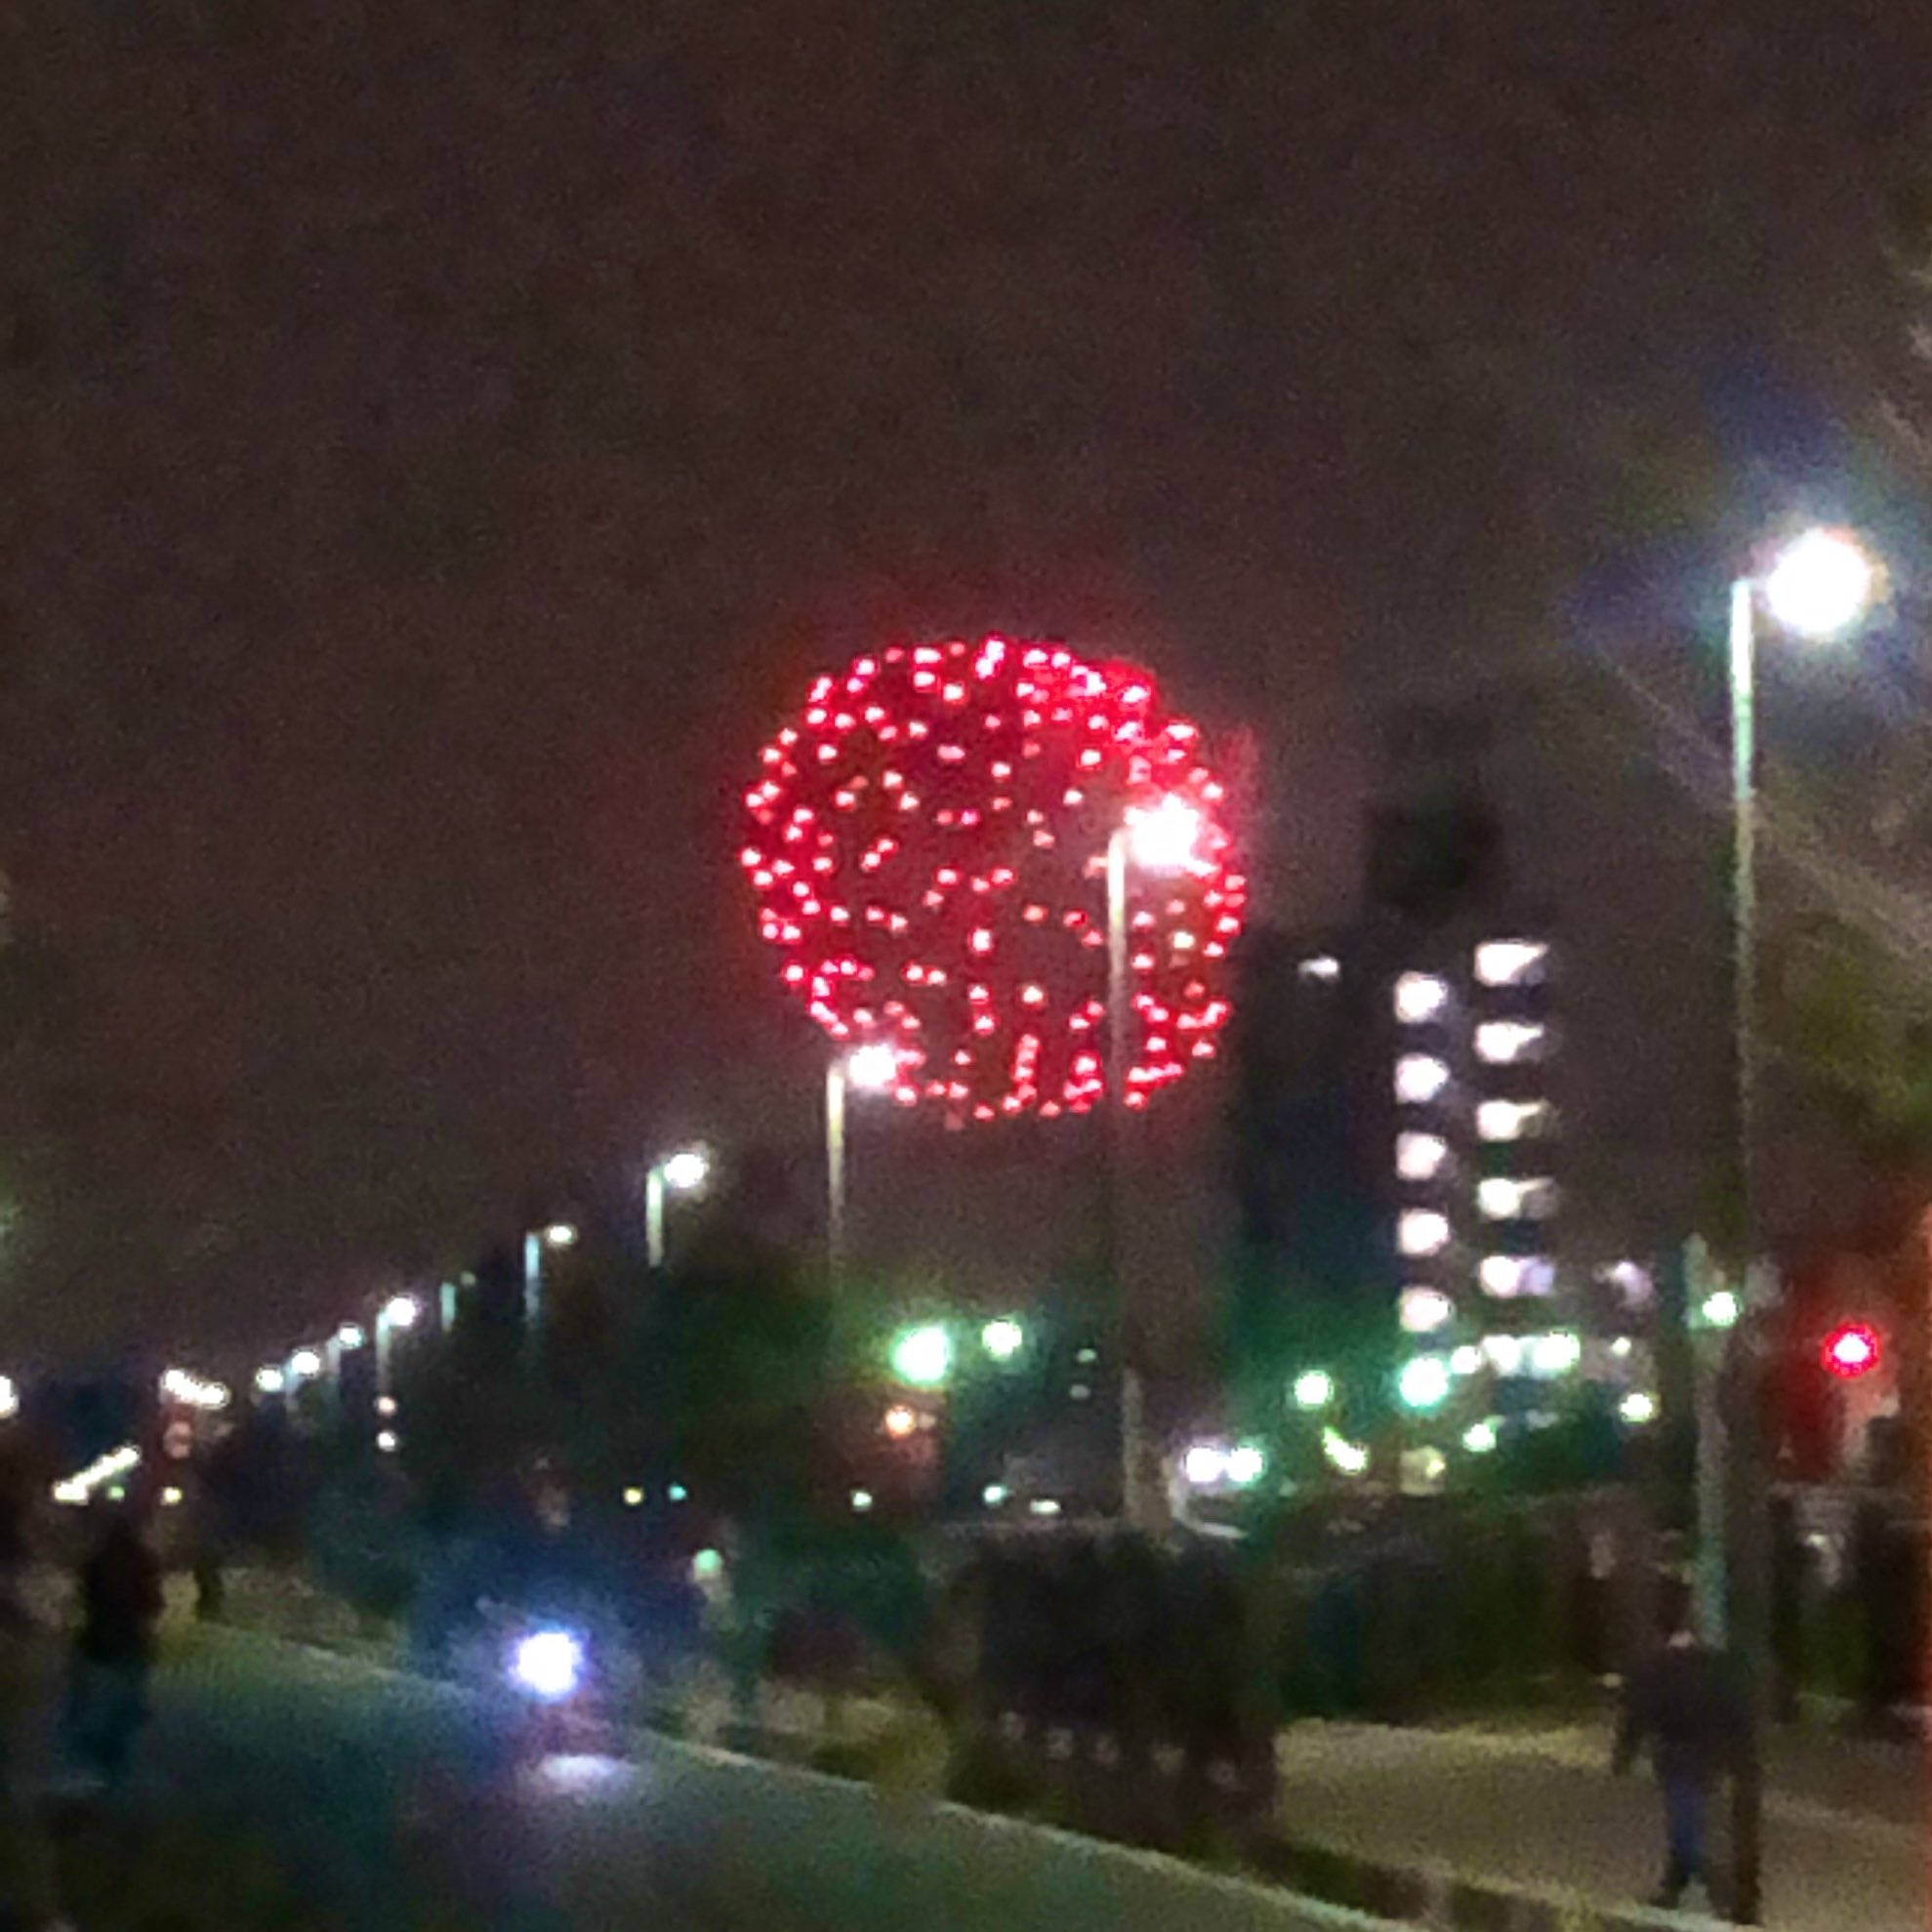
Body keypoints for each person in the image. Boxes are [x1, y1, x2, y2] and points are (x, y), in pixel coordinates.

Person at [1613, 1591, 1743, 1911]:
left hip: (1675, 1751)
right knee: (1692, 1815)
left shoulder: (1652, 1667)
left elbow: (1636, 1714)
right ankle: (1679, 1883)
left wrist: (1624, 1755)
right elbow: (1731, 1709)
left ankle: (1702, 1879)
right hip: (1708, 1751)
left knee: (1683, 1820)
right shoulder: (1711, 1664)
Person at [67, 1508, 163, 1787]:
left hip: (98, 1637)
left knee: (87, 1694)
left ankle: (87, 1748)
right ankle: (117, 1742)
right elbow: (153, 1602)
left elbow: (85, 1596)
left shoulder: (95, 1560)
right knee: (128, 1692)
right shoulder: (145, 1561)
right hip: (131, 1637)